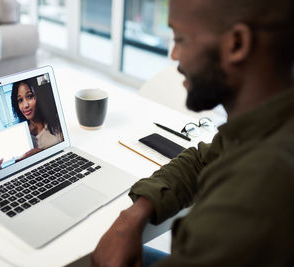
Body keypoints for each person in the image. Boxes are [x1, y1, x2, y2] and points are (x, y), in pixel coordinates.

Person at [92, 0, 294, 266]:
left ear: (236, 43)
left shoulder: (252, 199)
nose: (174, 55)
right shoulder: (263, 123)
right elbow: (203, 159)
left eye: (180, 39)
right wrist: (133, 214)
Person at [0, 79, 63, 171]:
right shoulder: (20, 137)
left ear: (39, 96)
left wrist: (41, 154)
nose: (25, 105)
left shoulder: (56, 123)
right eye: (20, 100)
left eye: (30, 96)